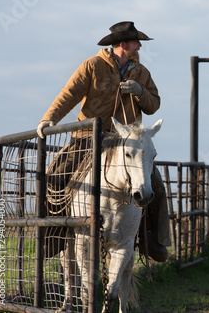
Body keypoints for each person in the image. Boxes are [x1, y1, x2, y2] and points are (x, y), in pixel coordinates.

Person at [37, 21, 170, 262]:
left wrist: (140, 91)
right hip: (88, 137)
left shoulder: (141, 73)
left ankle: (153, 241)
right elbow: (69, 94)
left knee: (156, 186)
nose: (139, 46)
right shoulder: (92, 66)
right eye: (136, 42)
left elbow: (154, 105)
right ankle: (53, 236)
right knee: (55, 175)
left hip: (125, 142)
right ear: (123, 45)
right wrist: (49, 119)